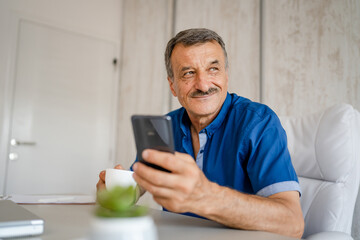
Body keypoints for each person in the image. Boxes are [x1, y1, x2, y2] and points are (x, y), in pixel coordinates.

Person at [97, 28, 304, 238]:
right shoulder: (166, 126)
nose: (203, 85)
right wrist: (120, 192)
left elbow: (293, 223)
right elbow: (141, 182)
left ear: (226, 74)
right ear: (172, 85)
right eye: (188, 73)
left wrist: (206, 197)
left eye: (213, 69)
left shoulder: (259, 122)